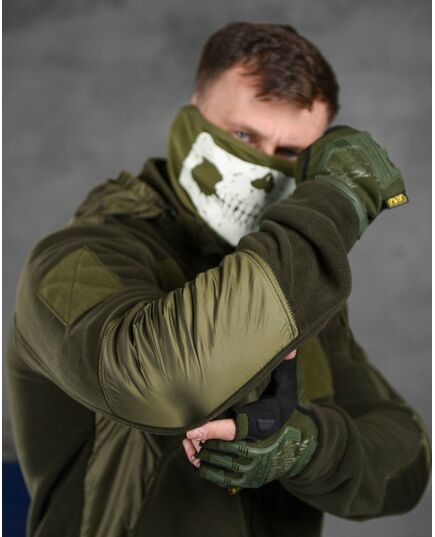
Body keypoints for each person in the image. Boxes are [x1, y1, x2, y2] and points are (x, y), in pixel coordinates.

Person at [6, 22, 430, 537]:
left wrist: (306, 448)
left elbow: (406, 463)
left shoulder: (300, 276)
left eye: (290, 153)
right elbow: (166, 382)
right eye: (244, 136)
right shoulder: (78, 258)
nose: (263, 168)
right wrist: (338, 201)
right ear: (194, 113)